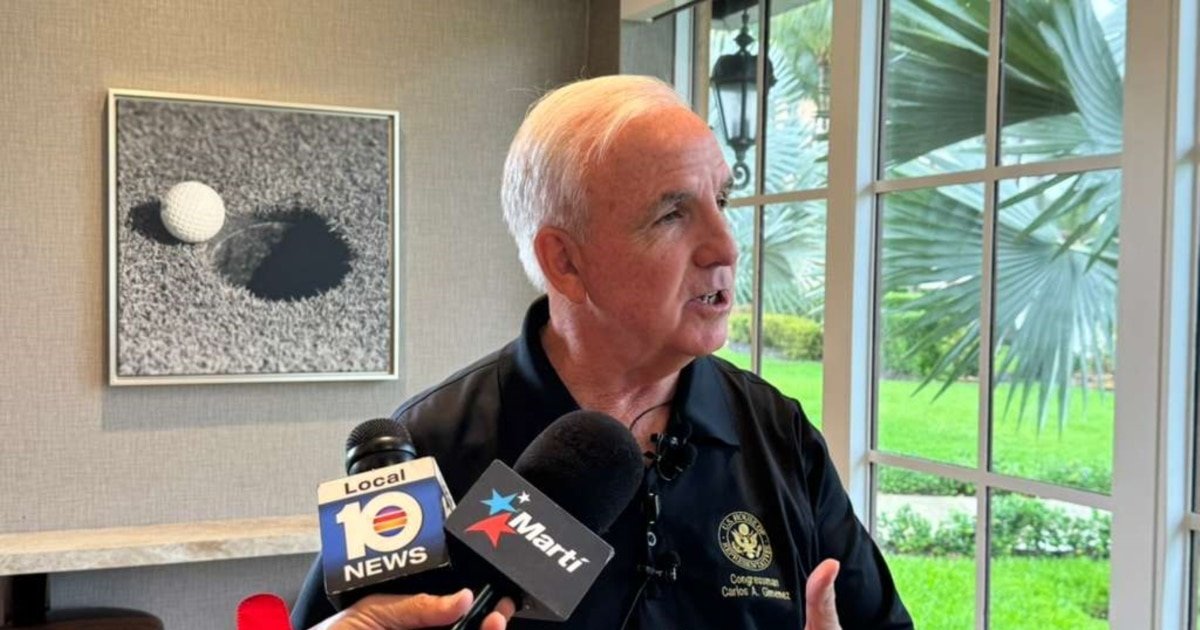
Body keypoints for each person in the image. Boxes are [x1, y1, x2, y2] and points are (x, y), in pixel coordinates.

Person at [292, 75, 913, 630]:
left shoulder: (779, 434)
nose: (726, 246)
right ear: (565, 261)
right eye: (672, 214)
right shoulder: (425, 448)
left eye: (721, 201)